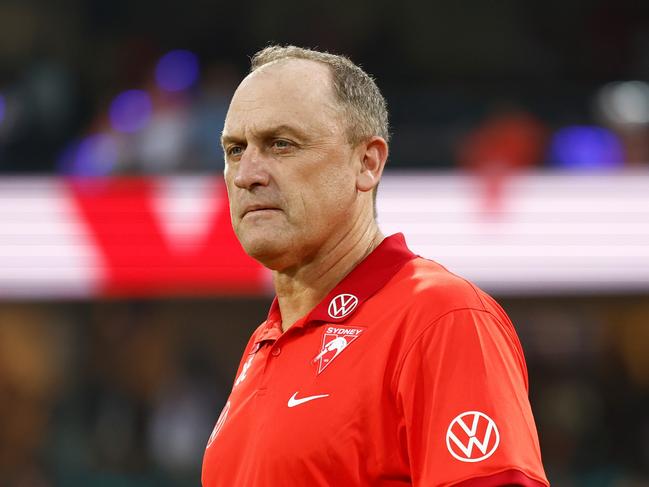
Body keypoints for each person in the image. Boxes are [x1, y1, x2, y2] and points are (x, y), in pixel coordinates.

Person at [202, 45, 549, 487]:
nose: (246, 173)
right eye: (235, 149)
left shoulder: (441, 317)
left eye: (281, 144)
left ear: (367, 163)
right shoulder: (264, 343)